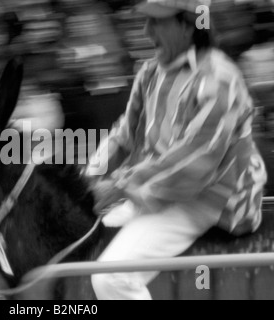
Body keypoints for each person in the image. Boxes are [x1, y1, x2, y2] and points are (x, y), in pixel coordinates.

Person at [86, 0, 267, 300]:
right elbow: (125, 134)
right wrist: (89, 175)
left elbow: (196, 160)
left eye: (156, 22)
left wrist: (119, 186)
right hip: (158, 189)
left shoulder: (219, 77)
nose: (146, 31)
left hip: (210, 199)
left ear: (187, 25)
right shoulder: (149, 72)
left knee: (110, 278)